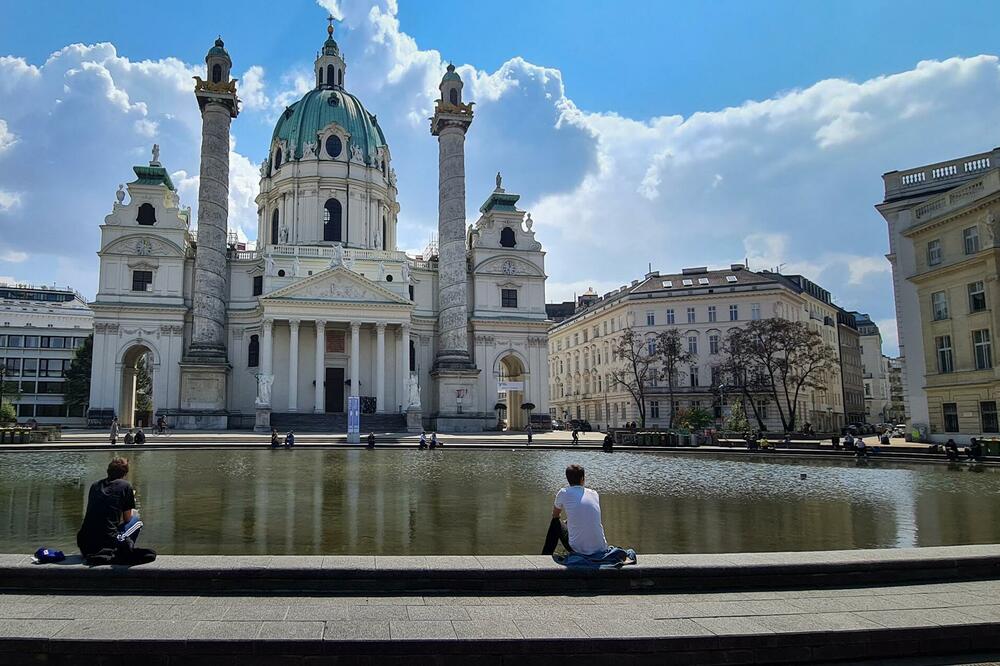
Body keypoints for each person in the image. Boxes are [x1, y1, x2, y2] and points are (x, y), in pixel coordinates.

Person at [76, 457, 156, 565]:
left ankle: (121, 545)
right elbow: (127, 519)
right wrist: (130, 500)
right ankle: (124, 548)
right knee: (137, 522)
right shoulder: (125, 486)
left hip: (84, 544)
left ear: (108, 471)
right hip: (106, 542)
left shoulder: (95, 485)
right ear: (125, 474)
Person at [549, 464, 608, 555]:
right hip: (601, 548)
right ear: (582, 479)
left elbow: (555, 515)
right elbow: (585, 513)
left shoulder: (563, 492)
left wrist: (565, 522)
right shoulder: (594, 494)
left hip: (577, 550)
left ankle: (545, 555)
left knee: (555, 522)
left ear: (568, 479)